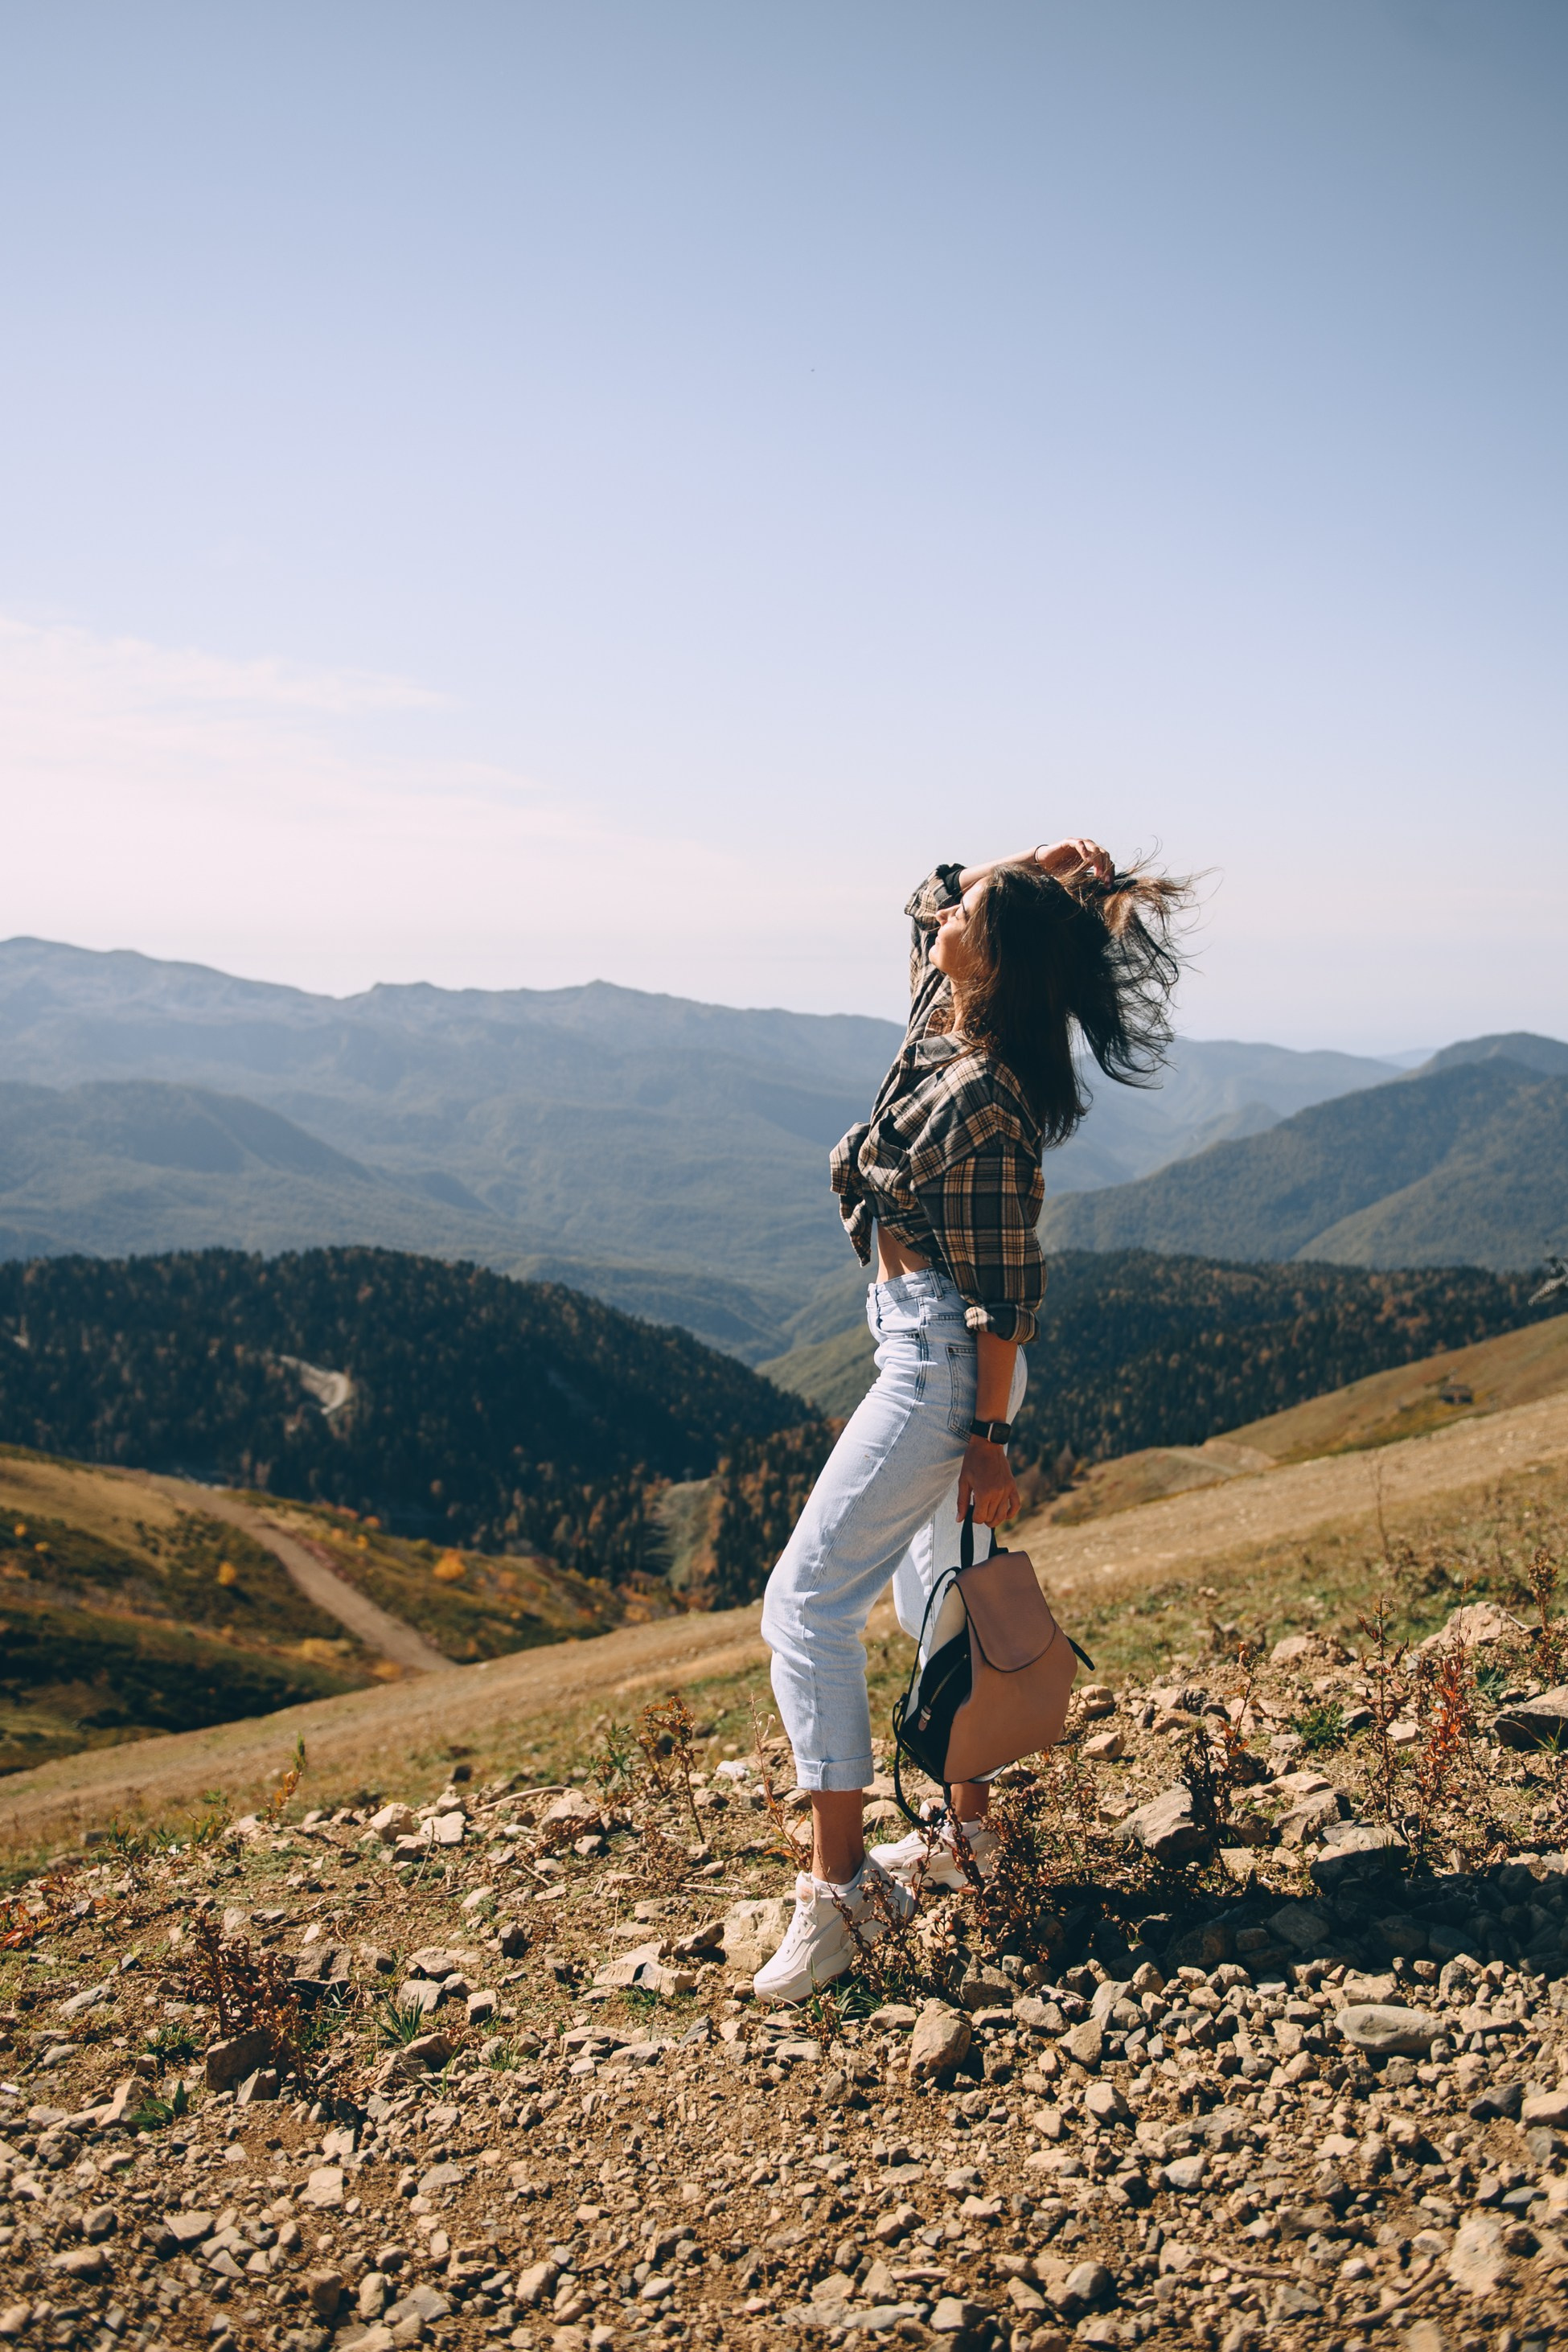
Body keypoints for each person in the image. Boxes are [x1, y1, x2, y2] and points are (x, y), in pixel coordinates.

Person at [754, 837, 1189, 2002]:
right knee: (926, 1598)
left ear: (992, 961)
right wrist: (1025, 868)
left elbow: (1007, 1294)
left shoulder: (986, 1096)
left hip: (946, 1367)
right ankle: (966, 1837)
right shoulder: (944, 1020)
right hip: (924, 1348)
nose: (946, 913)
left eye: (973, 914)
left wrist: (988, 1445)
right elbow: (926, 903)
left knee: (803, 1603)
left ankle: (837, 1891)